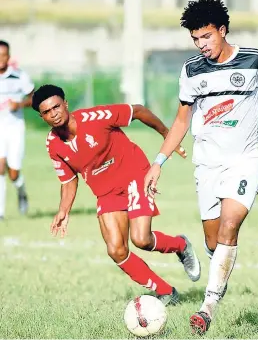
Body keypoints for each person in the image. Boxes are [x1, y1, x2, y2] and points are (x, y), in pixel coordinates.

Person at [144, 0, 258, 334]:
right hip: (207, 165)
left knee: (231, 226)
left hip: (245, 159)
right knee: (215, 242)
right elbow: (181, 121)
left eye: (206, 37)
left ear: (222, 30)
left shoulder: (254, 59)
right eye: (195, 39)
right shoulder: (191, 71)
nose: (201, 45)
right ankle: (220, 265)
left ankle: (207, 307)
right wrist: (159, 161)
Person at [31, 84, 201, 306]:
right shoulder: (52, 144)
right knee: (116, 250)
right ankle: (166, 291)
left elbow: (138, 111)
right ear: (41, 116)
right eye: (46, 112)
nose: (54, 114)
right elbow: (69, 180)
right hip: (105, 191)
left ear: (65, 104)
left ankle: (180, 245)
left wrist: (167, 134)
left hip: (134, 174)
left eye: (56, 107)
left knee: (141, 239)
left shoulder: (95, 117)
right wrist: (64, 210)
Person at [0, 40, 34, 220]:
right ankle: (1, 212)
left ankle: (21, 190)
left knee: (13, 172)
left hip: (15, 129)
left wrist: (19, 104)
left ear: (9, 57)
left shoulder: (19, 76)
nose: (0, 59)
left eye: (4, 55)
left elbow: (34, 98)